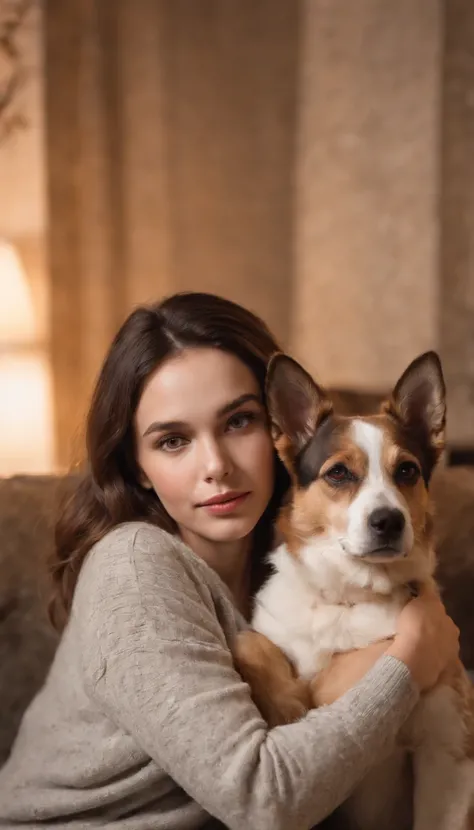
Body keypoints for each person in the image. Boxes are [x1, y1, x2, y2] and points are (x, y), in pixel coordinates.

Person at [0, 292, 459, 829]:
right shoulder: (133, 567)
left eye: (238, 422)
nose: (215, 465)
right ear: (139, 466)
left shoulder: (298, 569)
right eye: (173, 441)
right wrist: (409, 658)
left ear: (280, 430)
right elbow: (263, 802)